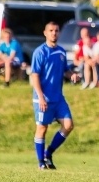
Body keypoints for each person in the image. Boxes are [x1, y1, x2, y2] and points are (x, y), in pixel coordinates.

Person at [31, 21, 80, 170]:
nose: (54, 33)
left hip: (58, 98)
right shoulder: (40, 52)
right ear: (45, 33)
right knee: (42, 128)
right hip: (43, 98)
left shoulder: (61, 51)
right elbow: (34, 76)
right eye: (51, 30)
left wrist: (72, 75)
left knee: (68, 125)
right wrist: (40, 97)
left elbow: (65, 70)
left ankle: (48, 153)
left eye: (56, 30)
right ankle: (41, 162)